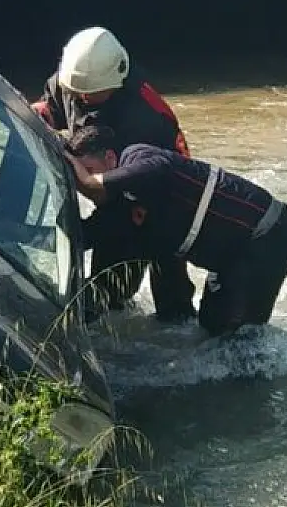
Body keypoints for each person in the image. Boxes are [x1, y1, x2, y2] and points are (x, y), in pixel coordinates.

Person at [63, 125, 287, 338]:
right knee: (214, 327)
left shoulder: (140, 156)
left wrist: (90, 181)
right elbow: (84, 236)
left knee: (240, 337)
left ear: (110, 158)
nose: (85, 187)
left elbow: (155, 170)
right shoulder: (118, 205)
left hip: (271, 236)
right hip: (232, 255)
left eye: (89, 169)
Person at [30, 26, 197, 323]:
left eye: (89, 95)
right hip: (112, 185)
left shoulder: (144, 121)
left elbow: (130, 209)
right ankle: (106, 312)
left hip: (161, 201)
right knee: (102, 293)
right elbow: (51, 109)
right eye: (74, 92)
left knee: (171, 298)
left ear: (116, 83)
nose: (80, 98)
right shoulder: (73, 79)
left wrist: (81, 235)